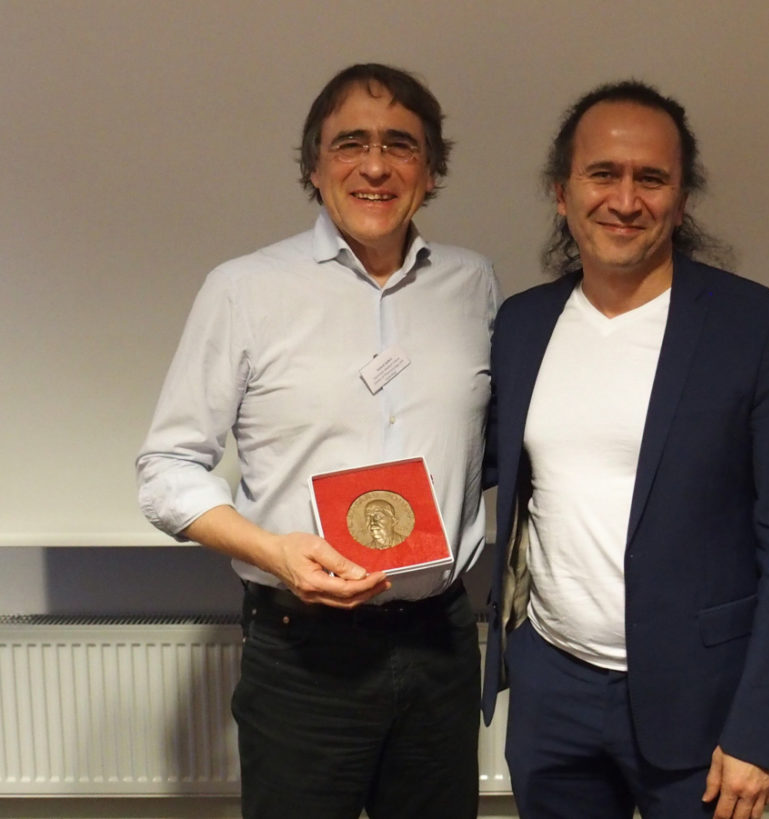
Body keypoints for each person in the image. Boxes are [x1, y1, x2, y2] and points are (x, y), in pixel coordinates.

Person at [137, 63, 499, 819]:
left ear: (430, 171)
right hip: (304, 653)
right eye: (350, 144)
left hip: (441, 644)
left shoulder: (473, 285)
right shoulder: (243, 289)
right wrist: (276, 551)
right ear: (314, 165)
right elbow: (168, 468)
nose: (375, 165)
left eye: (400, 145)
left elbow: (487, 447)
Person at [481, 80, 769, 819]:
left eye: (652, 178)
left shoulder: (759, 329)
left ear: (682, 197)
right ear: (562, 192)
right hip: (553, 695)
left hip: (703, 708)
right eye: (602, 174)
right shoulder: (522, 325)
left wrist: (759, 729)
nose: (625, 199)